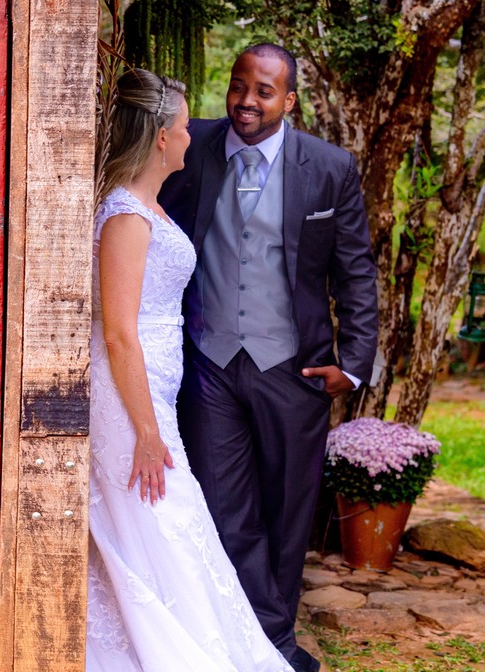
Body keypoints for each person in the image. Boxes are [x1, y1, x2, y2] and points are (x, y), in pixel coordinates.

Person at [159, 44, 379, 672]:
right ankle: (246, 640)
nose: (246, 102)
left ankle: (276, 644)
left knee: (287, 510)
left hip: (294, 367)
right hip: (210, 362)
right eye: (237, 87)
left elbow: (355, 272)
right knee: (224, 504)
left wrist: (354, 361)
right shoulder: (189, 145)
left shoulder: (329, 168)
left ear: (289, 100)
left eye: (262, 91)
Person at [87, 68, 293, 671]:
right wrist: (147, 433)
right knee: (163, 515)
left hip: (153, 389)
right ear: (159, 138)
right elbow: (119, 331)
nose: (189, 136)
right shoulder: (126, 215)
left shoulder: (147, 205)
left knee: (159, 523)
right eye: (181, 126)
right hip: (129, 397)